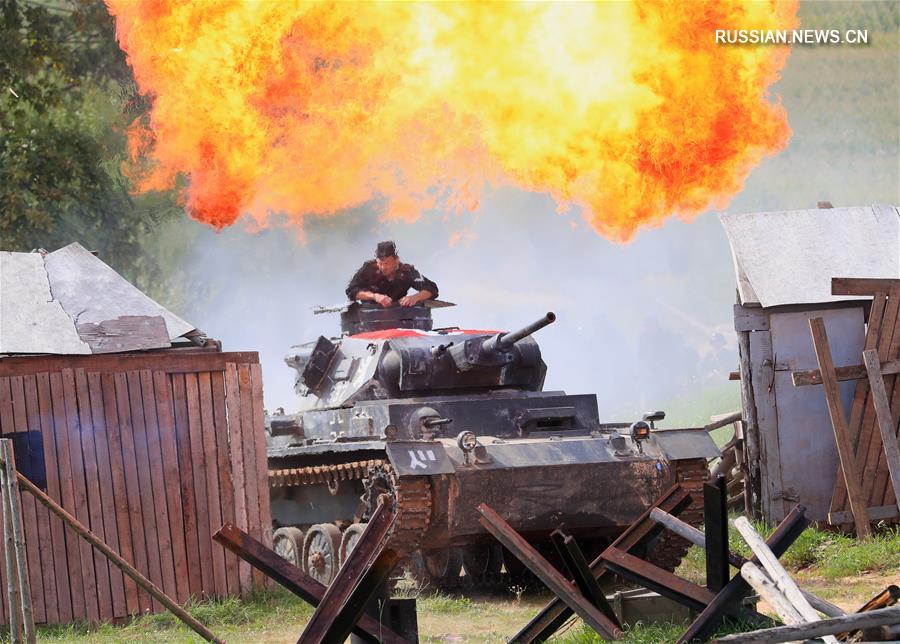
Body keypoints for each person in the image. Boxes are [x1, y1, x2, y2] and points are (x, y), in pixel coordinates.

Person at [345, 241, 438, 308]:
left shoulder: (407, 271)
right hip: (369, 314)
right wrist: (374, 296)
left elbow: (431, 288)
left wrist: (415, 298)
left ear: (396, 260)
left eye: (387, 263)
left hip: (398, 314)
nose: (383, 267)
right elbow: (351, 291)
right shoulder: (369, 268)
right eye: (380, 263)